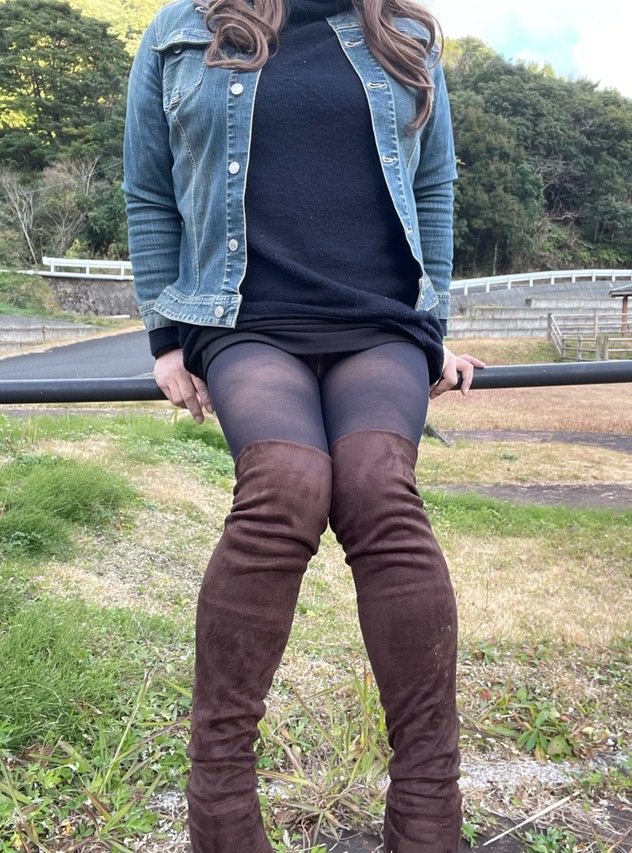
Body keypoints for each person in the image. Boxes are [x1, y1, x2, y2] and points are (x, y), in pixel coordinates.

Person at [124, 0, 482, 849]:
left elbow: (433, 186)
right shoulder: (182, 31)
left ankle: (429, 811)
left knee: (378, 487)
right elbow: (149, 188)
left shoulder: (407, 34)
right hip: (245, 318)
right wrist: (165, 338)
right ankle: (220, 804)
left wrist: (432, 324)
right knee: (286, 482)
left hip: (379, 321)